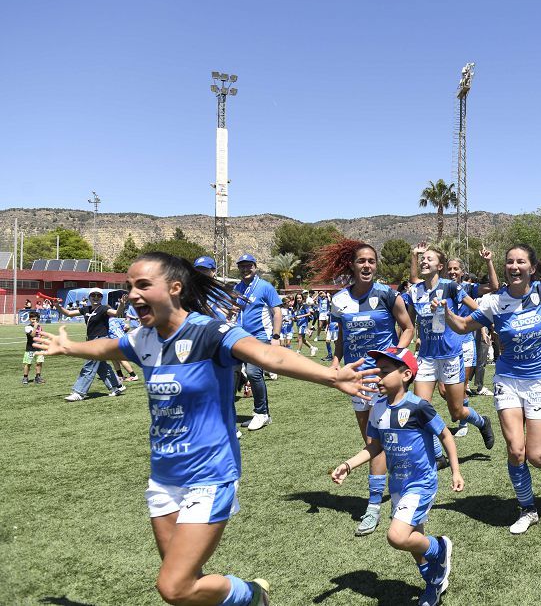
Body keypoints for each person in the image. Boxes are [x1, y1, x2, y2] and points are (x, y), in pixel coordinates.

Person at [33, 251, 378, 606]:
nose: (133, 295)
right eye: (130, 286)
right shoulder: (143, 339)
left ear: (175, 288)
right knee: (189, 584)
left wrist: (329, 375)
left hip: (209, 476)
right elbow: (109, 347)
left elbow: (268, 355)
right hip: (164, 478)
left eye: (144, 285)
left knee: (174, 587)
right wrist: (70, 347)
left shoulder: (210, 332)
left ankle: (251, 594)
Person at [439, 244, 541, 535]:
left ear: (531, 268)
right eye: (510, 261)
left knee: (537, 456)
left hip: (538, 382)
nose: (514, 266)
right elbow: (463, 325)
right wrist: (444, 312)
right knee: (515, 450)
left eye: (520, 262)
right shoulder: (494, 301)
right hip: (507, 381)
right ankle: (527, 508)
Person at [331, 347, 463, 606]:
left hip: (421, 483)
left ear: (406, 375)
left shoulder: (418, 406)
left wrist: (456, 471)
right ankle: (434, 582)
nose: (378, 377)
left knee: (398, 536)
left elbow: (445, 435)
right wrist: (348, 465)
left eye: (384, 372)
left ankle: (440, 548)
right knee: (414, 540)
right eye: (377, 371)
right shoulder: (378, 408)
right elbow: (374, 447)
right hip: (398, 484)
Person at [314, 239, 415, 537]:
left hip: (383, 380)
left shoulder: (387, 294)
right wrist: (336, 362)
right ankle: (388, 494)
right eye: (362, 261)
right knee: (373, 442)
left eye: (371, 261)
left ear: (376, 265)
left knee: (382, 439)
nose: (367, 265)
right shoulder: (339, 300)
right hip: (356, 380)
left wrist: (394, 358)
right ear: (353, 265)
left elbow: (408, 328)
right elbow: (342, 337)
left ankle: (373, 506)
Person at [405, 243, 494, 453]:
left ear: (440, 266)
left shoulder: (451, 287)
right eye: (423, 259)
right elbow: (408, 324)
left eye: (429, 259)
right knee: (421, 409)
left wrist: (461, 323)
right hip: (426, 358)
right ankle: (438, 455)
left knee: (456, 412)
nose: (424, 261)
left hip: (451, 356)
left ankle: (482, 422)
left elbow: (479, 311)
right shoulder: (414, 291)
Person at [232, 254, 282, 431]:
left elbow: (277, 312)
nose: (245, 269)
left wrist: (276, 337)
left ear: (255, 267)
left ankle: (261, 413)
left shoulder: (265, 286)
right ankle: (259, 414)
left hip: (260, 336)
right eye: (242, 266)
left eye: (248, 266)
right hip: (239, 337)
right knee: (233, 373)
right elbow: (235, 310)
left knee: (253, 372)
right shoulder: (237, 287)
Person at [55, 289, 129, 401]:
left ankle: (79, 392)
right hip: (91, 341)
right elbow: (69, 313)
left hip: (101, 340)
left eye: (99, 295)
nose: (96, 297)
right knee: (101, 367)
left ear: (101, 298)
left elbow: (116, 313)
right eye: (93, 295)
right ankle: (117, 386)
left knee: (89, 366)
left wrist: (122, 304)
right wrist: (58, 306)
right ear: (89, 297)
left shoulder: (104, 309)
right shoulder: (86, 309)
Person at [22, 311, 45, 385]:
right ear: (29, 319)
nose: (35, 321)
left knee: (39, 363)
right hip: (30, 349)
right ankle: (25, 377)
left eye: (36, 319)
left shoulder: (40, 327)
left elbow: (41, 336)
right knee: (28, 363)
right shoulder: (27, 327)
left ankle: (38, 377)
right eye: (33, 319)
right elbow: (32, 335)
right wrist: (35, 327)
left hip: (39, 349)